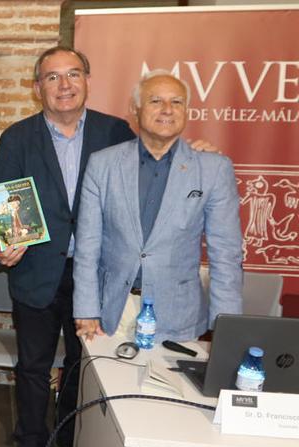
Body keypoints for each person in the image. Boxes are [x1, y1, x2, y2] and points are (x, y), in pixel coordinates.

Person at [0, 46, 137, 447]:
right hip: (35, 270)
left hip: (94, 275)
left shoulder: (116, 133)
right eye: (52, 77)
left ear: (88, 80)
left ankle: (71, 437)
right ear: (38, 88)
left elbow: (137, 194)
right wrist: (2, 245)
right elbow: (2, 199)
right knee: (32, 366)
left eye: (73, 74)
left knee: (81, 362)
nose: (64, 85)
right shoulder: (18, 137)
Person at [72, 70, 242, 342]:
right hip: (112, 313)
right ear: (135, 109)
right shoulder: (103, 164)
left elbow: (227, 256)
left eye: (176, 102)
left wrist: (227, 328)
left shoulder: (213, 169)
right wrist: (86, 308)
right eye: (155, 101)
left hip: (179, 317)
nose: (167, 110)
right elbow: (87, 246)